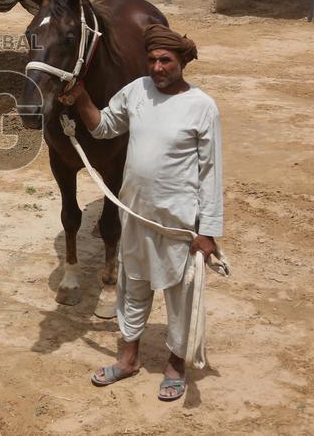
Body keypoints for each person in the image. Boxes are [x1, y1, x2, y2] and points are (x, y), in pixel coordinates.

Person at [59, 24, 223, 401]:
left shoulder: (202, 106)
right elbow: (104, 127)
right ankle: (128, 359)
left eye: (165, 60)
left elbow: (212, 173)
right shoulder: (137, 92)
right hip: (134, 212)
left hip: (180, 222)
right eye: (151, 60)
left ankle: (175, 365)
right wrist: (81, 98)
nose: (157, 67)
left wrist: (208, 231)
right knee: (132, 287)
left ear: (183, 61)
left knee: (180, 295)